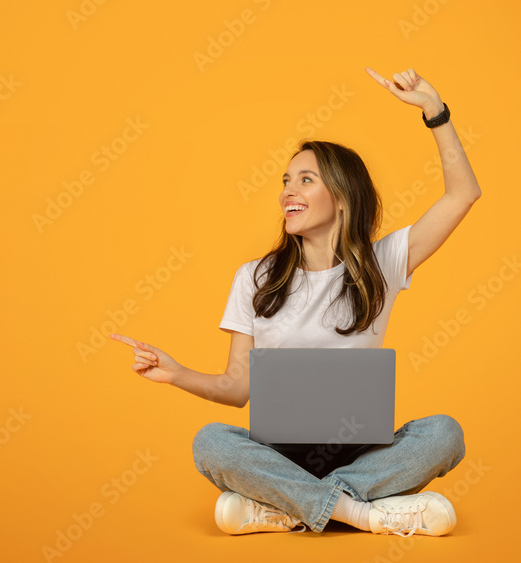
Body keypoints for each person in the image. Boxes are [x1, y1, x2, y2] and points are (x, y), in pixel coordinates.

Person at [109, 67, 481, 537]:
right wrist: (176, 372)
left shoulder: (382, 264)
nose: (288, 191)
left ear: (342, 196)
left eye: (306, 180)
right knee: (212, 443)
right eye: (287, 180)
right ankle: (361, 512)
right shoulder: (255, 278)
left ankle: (286, 507)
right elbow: (237, 388)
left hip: (361, 452)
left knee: (444, 434)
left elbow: (464, 194)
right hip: (277, 452)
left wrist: (434, 111)